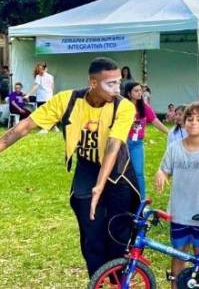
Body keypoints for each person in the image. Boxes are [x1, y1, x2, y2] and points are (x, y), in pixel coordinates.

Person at [0, 57, 139, 276]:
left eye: (118, 83)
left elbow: (114, 145)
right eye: (110, 84)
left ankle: (119, 280)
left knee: (118, 235)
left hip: (117, 173)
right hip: (87, 170)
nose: (117, 89)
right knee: (91, 235)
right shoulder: (67, 100)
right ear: (93, 83)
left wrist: (100, 186)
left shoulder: (124, 106)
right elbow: (25, 126)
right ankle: (98, 280)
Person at [155, 103, 199, 288]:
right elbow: (165, 170)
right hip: (179, 213)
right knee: (178, 253)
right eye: (190, 119)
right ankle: (175, 286)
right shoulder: (174, 148)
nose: (193, 123)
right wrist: (161, 174)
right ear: (183, 122)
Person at [124, 81, 169, 199]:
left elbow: (155, 121)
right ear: (129, 93)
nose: (140, 93)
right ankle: (126, 198)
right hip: (123, 143)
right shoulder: (123, 106)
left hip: (137, 144)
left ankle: (141, 199)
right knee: (123, 173)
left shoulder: (144, 107)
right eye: (136, 91)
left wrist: (169, 132)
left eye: (140, 91)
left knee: (139, 173)